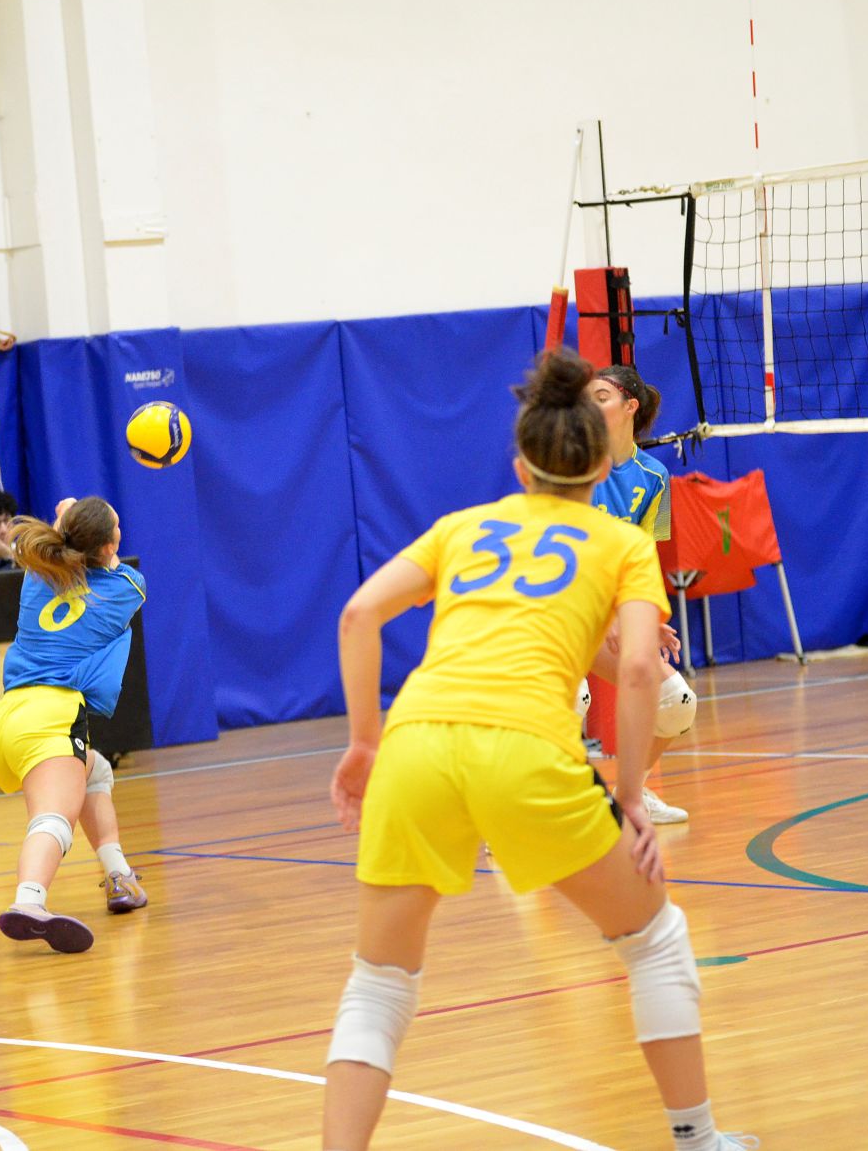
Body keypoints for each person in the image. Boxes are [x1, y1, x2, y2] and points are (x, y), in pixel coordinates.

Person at [320, 349, 750, 1151]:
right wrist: (630, 794)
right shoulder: (620, 544)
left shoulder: (462, 527)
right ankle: (699, 1141)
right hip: (524, 750)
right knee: (654, 942)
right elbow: (638, 669)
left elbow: (357, 616)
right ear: (602, 468)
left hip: (415, 744)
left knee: (378, 986)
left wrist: (362, 743)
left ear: (521, 467)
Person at [0, 495, 150, 952]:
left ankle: (119, 876)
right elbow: (103, 564)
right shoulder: (127, 588)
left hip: (5, 719)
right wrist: (88, 529)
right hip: (51, 719)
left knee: (96, 771)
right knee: (53, 819)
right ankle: (29, 902)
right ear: (110, 546)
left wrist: (66, 514)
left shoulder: (35, 574)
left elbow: (63, 539)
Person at [589, 364, 698, 825]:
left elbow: (642, 558)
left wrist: (646, 617)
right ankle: (519, 815)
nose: (588, 406)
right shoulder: (573, 464)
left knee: (676, 704)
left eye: (600, 397)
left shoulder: (654, 476)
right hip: (560, 607)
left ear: (630, 406)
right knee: (570, 701)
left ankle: (631, 793)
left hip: (612, 611)